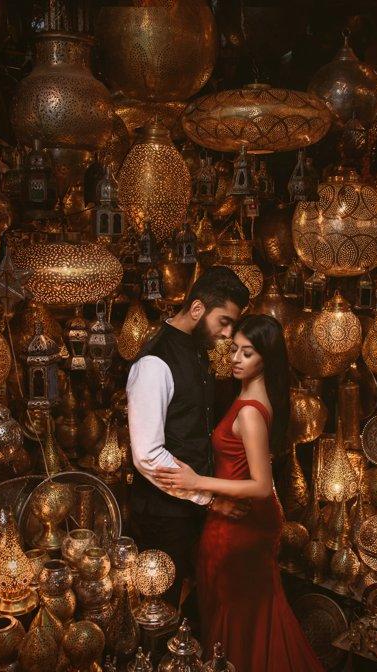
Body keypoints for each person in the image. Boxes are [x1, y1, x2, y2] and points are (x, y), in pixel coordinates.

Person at [154, 314, 325, 672]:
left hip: (242, 524)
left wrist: (197, 482)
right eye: (234, 349)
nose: (234, 358)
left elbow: (262, 486)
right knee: (247, 613)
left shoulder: (250, 412)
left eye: (246, 353)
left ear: (266, 359)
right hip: (236, 518)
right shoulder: (249, 397)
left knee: (239, 617)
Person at [126, 266, 251, 610]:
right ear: (197, 309)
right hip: (164, 516)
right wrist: (209, 499)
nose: (227, 333)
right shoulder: (154, 363)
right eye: (223, 321)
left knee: (197, 605)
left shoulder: (196, 349)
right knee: (160, 612)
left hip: (192, 506)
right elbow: (149, 455)